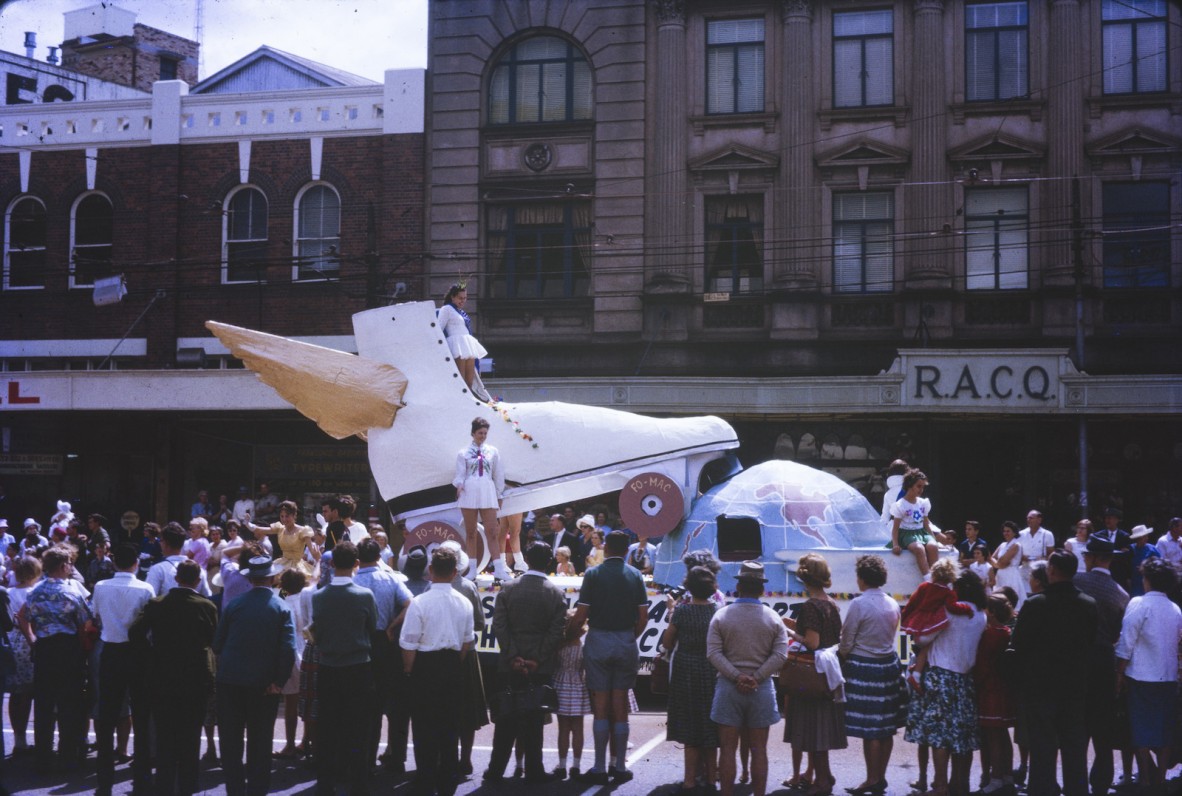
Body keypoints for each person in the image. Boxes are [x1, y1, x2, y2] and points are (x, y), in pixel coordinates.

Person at [1010, 551, 1097, 796]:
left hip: (1041, 686)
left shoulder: (1035, 604)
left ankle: (1042, 790)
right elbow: (1090, 642)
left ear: (1052, 571)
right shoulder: (1088, 604)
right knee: (1074, 749)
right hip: (1074, 687)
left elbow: (1019, 645)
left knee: (1042, 750)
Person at [129, 559, 217, 796]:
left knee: (165, 737)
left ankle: (164, 786)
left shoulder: (157, 604)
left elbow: (135, 632)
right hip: (195, 678)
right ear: (198, 581)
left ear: (176, 579)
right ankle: (188, 787)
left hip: (162, 676)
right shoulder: (206, 606)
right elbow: (213, 640)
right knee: (190, 737)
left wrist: (152, 653)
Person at [567, 530, 649, 785]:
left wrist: (568, 635)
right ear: (626, 550)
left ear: (606, 547)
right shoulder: (635, 575)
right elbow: (643, 619)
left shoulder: (593, 574)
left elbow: (581, 615)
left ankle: (599, 766)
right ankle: (620, 765)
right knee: (620, 706)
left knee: (600, 708)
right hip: (624, 639)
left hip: (599, 639)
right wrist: (628, 636)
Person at [484, 541, 566, 783]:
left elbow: (499, 626)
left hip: (510, 663)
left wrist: (513, 656)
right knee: (534, 720)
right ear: (549, 561)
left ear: (527, 560)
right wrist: (536, 659)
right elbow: (556, 631)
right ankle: (534, 770)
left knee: (505, 719)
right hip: (539, 666)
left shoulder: (508, 589)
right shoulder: (555, 593)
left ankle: (496, 771)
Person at [213, 554, 295, 796]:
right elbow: (288, 649)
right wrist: (279, 681)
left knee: (231, 742)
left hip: (231, 681)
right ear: (271, 577)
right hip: (264, 685)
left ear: (250, 579)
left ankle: (235, 791)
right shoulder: (281, 606)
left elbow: (217, 645)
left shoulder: (235, 604)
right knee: (260, 743)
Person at [707, 560, 789, 796]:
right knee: (759, 750)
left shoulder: (722, 616)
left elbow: (713, 653)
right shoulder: (773, 618)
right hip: (761, 689)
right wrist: (757, 676)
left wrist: (736, 676)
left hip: (728, 688)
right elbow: (780, 654)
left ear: (739, 586)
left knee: (728, 749)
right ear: (761, 589)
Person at [904, 570, 988, 796]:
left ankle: (940, 786)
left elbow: (922, 639)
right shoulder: (981, 615)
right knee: (962, 735)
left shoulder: (949, 612)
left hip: (940, 675)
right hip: (965, 678)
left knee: (940, 736)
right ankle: (959, 783)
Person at [400, 546, 475, 796]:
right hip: (452, 665)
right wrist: (453, 662)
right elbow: (467, 642)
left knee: (423, 728)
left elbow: (408, 643)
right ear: (455, 572)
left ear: (430, 570)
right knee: (449, 728)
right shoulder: (464, 602)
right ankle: (447, 785)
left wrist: (410, 672)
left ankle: (425, 781)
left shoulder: (420, 602)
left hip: (425, 667)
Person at [310, 540, 378, 795]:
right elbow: (372, 627)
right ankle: (358, 785)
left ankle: (326, 784)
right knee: (359, 730)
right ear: (356, 564)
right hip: (359, 667)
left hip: (328, 667)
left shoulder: (319, 597)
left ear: (331, 564)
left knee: (328, 729)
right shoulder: (364, 595)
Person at [19, 545, 93, 773]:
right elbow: (83, 626)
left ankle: (43, 758)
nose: (71, 567)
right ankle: (68, 757)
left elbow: (22, 615)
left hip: (44, 649)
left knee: (44, 705)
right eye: (69, 563)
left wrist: (31, 638)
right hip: (68, 650)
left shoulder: (35, 591)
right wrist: (86, 653)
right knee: (69, 704)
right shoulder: (72, 593)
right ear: (63, 566)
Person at [839, 554, 907, 796]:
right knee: (885, 726)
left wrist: (844, 658)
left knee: (870, 730)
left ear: (862, 578)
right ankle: (880, 776)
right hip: (888, 666)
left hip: (864, 667)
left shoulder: (859, 604)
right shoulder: (892, 603)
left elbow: (846, 641)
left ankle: (871, 778)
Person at [91, 543, 156, 796]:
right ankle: (141, 780)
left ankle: (104, 782)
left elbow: (96, 616)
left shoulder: (100, 587)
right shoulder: (145, 588)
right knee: (140, 715)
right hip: (138, 653)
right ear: (136, 564)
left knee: (106, 717)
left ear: (114, 563)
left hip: (111, 651)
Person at [1114, 557, 1182, 790]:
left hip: (1141, 676)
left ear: (1148, 579)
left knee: (1141, 729)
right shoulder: (1175, 609)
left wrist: (1119, 673)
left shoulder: (1139, 604)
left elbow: (1126, 642)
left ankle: (1144, 779)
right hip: (1168, 676)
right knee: (1164, 729)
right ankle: (1161, 779)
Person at [783, 553, 847, 796]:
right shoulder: (830, 603)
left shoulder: (811, 606)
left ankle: (822, 782)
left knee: (813, 728)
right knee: (821, 727)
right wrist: (793, 625)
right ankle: (824, 775)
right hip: (829, 671)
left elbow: (811, 641)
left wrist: (790, 633)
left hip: (812, 672)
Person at [1073, 532, 1130, 796]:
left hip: (1077, 658)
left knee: (1077, 726)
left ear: (1092, 557)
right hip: (1104, 660)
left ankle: (1076, 782)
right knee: (1102, 729)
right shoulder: (1121, 595)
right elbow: (1119, 633)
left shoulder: (1076, 582)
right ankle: (1100, 783)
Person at [352, 538, 413, 773]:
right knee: (394, 703)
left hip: (362, 643)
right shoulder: (391, 578)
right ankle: (395, 757)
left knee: (366, 707)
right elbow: (410, 603)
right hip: (385, 644)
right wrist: (392, 626)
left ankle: (364, 760)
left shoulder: (354, 579)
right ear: (379, 557)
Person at [662, 565, 721, 793]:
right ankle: (710, 778)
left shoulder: (682, 611)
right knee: (710, 723)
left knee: (689, 723)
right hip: (710, 668)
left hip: (686, 668)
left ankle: (689, 780)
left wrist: (671, 611)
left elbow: (667, 642)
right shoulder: (717, 610)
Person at [899, 557, 974, 693]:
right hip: (929, 627)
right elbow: (952, 607)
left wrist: (904, 620)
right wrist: (967, 609)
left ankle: (915, 668)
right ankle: (915, 676)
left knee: (922, 648)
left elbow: (911, 604)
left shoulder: (924, 586)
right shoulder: (948, 592)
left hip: (917, 627)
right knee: (931, 645)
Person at [454, 416, 511, 580]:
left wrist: (499, 493)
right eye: (480, 433)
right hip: (469, 491)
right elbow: (460, 474)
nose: (483, 436)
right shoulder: (463, 453)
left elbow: (498, 474)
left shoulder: (493, 451)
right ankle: (472, 569)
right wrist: (459, 485)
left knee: (492, 531)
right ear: (473, 433)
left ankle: (499, 569)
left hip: (487, 490)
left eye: (485, 433)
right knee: (471, 532)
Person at [974, 595, 1017, 796]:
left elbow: (982, 665)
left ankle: (996, 777)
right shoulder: (1006, 631)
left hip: (990, 690)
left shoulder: (991, 635)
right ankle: (1006, 775)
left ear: (991, 612)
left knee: (992, 737)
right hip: (1004, 689)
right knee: (1002, 735)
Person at [273, 568, 312, 761]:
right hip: (307, 649)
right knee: (308, 700)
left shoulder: (281, 600)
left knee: (291, 702)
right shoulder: (307, 597)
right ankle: (305, 741)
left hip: (290, 650)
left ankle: (290, 744)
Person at [7, 556, 40, 755]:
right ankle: (34, 738)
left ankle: (19, 738)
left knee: (16, 694)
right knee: (30, 694)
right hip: (30, 641)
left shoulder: (8, 592)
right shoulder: (34, 592)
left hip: (12, 641)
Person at [552, 608, 591, 779]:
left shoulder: (560, 646)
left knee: (563, 729)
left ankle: (561, 765)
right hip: (577, 684)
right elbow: (584, 668)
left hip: (561, 684)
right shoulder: (583, 648)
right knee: (578, 728)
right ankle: (576, 765)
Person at [889, 470, 942, 575]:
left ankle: (936, 577)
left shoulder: (923, 503)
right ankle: (927, 578)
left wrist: (934, 540)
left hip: (921, 532)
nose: (921, 489)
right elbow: (895, 528)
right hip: (907, 534)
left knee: (932, 546)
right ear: (909, 485)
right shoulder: (901, 505)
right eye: (919, 486)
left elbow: (926, 524)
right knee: (919, 548)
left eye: (923, 487)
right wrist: (895, 545)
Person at [247, 500, 318, 578]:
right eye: (282, 516)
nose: (284, 519)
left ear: (294, 515)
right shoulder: (280, 529)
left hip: (297, 566)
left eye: (287, 516)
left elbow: (313, 552)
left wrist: (320, 563)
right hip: (282, 564)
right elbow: (259, 529)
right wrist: (247, 523)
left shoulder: (303, 531)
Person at [438, 283, 487, 392]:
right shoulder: (446, 309)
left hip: (467, 344)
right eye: (460, 298)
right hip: (456, 345)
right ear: (452, 297)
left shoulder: (461, 312)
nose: (463, 301)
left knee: (469, 382)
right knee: (461, 382)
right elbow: (439, 328)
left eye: (465, 298)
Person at [147, 522, 213, 598]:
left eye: (161, 540)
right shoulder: (199, 570)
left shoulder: (158, 569)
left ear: (165, 543)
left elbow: (149, 598)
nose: (160, 543)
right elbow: (208, 596)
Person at [988, 521, 1025, 609]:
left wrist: (998, 563)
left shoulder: (1016, 545)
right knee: (999, 600)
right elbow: (991, 558)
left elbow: (1000, 563)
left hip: (1012, 575)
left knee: (1011, 600)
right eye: (1004, 531)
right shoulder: (1003, 544)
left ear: (1014, 532)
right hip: (1000, 575)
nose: (1005, 533)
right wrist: (998, 563)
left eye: (1008, 531)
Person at [1016, 510, 1055, 584]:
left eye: (1031, 518)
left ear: (1039, 520)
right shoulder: (1021, 534)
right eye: (1027, 518)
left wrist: (1042, 558)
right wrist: (1022, 557)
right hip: (1024, 569)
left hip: (1040, 571)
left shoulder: (1047, 534)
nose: (1028, 520)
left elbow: (1051, 555)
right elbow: (1016, 553)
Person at [1126, 524, 1160, 597]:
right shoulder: (1130, 549)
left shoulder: (1152, 550)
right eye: (1144, 536)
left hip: (1149, 584)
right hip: (1134, 584)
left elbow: (1159, 566)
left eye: (1146, 536)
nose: (1147, 538)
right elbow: (1126, 567)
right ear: (1138, 538)